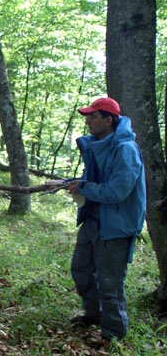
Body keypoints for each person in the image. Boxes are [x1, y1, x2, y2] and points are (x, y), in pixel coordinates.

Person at [66, 97, 145, 341]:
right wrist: (73, 185)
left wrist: (85, 187)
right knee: (80, 270)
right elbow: (91, 181)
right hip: (92, 222)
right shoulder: (95, 146)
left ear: (108, 120)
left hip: (116, 227)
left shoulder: (125, 150)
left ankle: (113, 336)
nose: (87, 121)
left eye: (92, 116)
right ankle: (94, 314)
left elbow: (116, 192)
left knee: (110, 284)